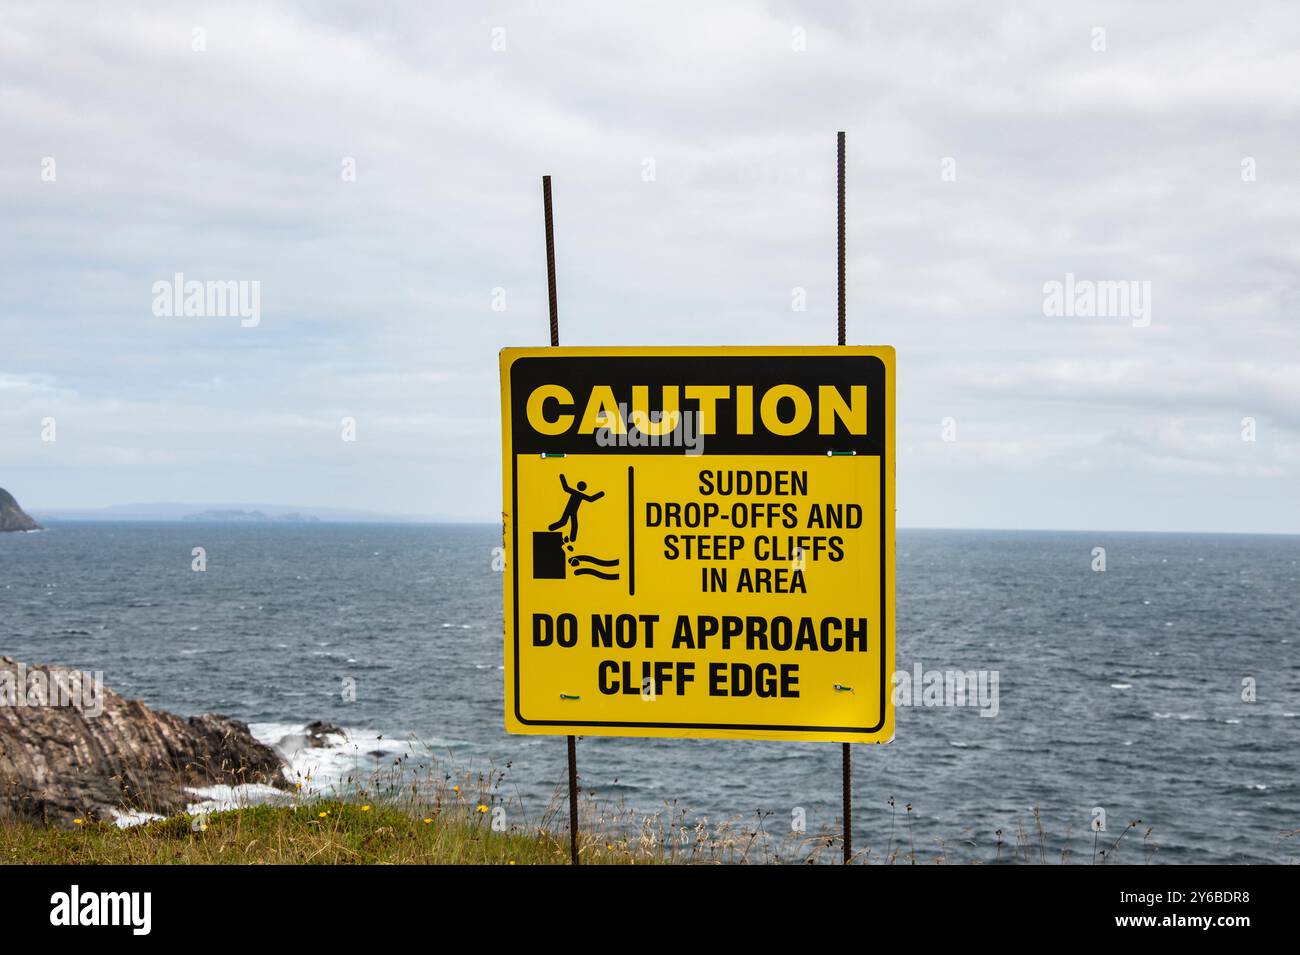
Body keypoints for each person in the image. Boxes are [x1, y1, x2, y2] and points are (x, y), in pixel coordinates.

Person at [547, 474, 603, 542]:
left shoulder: (576, 493)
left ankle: (553, 529)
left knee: (567, 522)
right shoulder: (580, 495)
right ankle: (552, 529)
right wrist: (601, 494)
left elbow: (566, 488)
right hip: (570, 510)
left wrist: (562, 477)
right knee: (566, 522)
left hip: (571, 510)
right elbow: (590, 499)